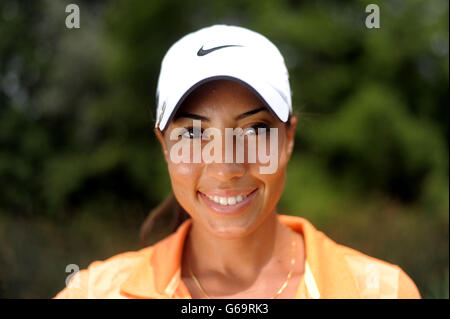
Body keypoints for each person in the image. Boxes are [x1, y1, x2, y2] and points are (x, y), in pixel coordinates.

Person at [55, 25, 421, 299]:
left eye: (254, 129)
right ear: (164, 145)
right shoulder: (93, 293)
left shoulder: (382, 291)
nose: (226, 168)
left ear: (288, 139)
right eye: (194, 134)